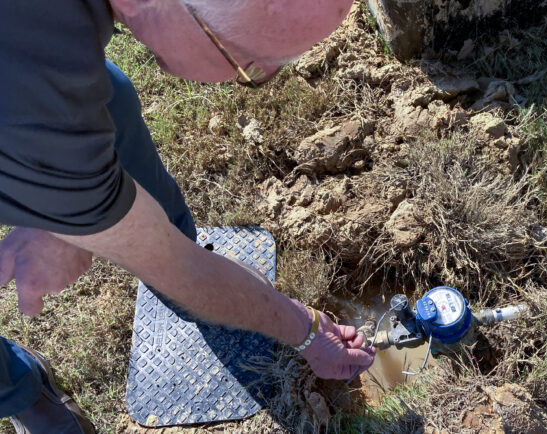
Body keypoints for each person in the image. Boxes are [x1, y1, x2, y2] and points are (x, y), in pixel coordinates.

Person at [0, 1, 374, 432]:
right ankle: (19, 387)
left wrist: (59, 207)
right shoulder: (42, 109)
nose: (248, 78)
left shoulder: (58, 54)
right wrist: (310, 333)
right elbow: (185, 271)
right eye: (248, 64)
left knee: (111, 98)